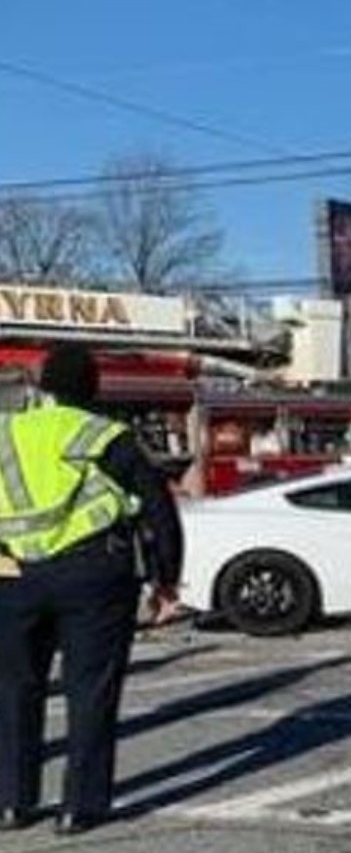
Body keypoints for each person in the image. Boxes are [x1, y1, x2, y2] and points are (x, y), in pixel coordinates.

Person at [0, 344, 182, 834]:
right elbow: (158, 507)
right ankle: (77, 807)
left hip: (13, 575)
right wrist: (166, 580)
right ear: (92, 388)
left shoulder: (7, 433)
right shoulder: (107, 435)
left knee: (14, 689)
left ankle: (12, 802)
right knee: (90, 691)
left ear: (43, 386)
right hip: (94, 576)